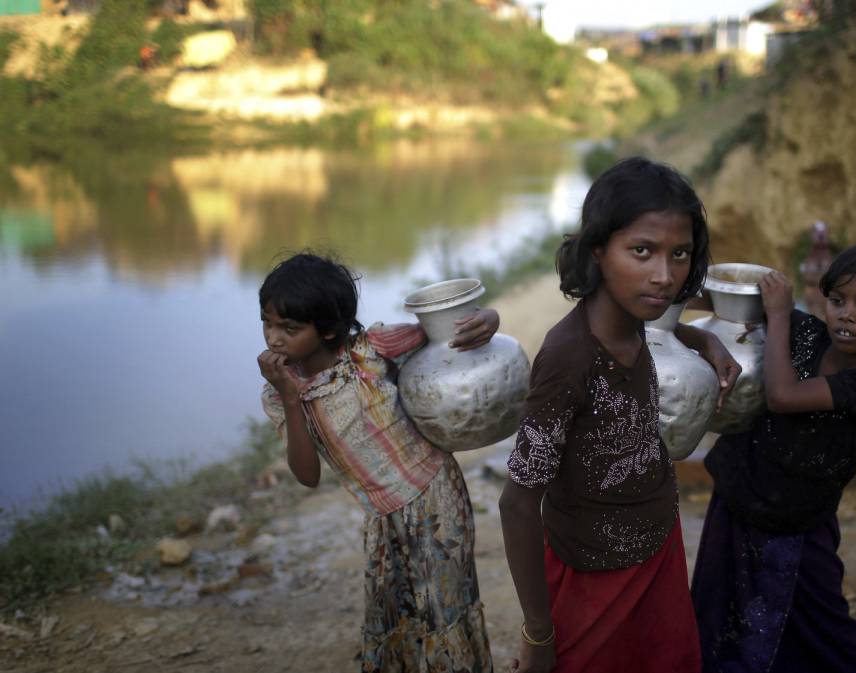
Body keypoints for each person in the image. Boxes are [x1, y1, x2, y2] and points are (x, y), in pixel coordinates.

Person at [499, 157, 741, 673]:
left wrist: (703, 340)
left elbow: (663, 321)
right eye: (642, 251)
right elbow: (518, 502)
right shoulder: (569, 358)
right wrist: (539, 635)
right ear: (597, 251)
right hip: (591, 575)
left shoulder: (635, 314)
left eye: (680, 254)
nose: (665, 276)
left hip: (658, 547)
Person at [256, 252, 496, 673]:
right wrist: (293, 399)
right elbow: (307, 476)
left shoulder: (371, 351)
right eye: (268, 323)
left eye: (289, 328)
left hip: (436, 496)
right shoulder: (279, 394)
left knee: (444, 609)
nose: (274, 338)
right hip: (382, 519)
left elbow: (446, 332)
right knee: (396, 617)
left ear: (328, 330)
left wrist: (488, 318)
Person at [691, 242, 856, 673]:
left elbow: (783, 396)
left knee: (825, 631)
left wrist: (778, 314)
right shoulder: (807, 333)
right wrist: (695, 308)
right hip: (737, 500)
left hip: (798, 526)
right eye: (837, 301)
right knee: (717, 617)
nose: (846, 314)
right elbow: (720, 303)